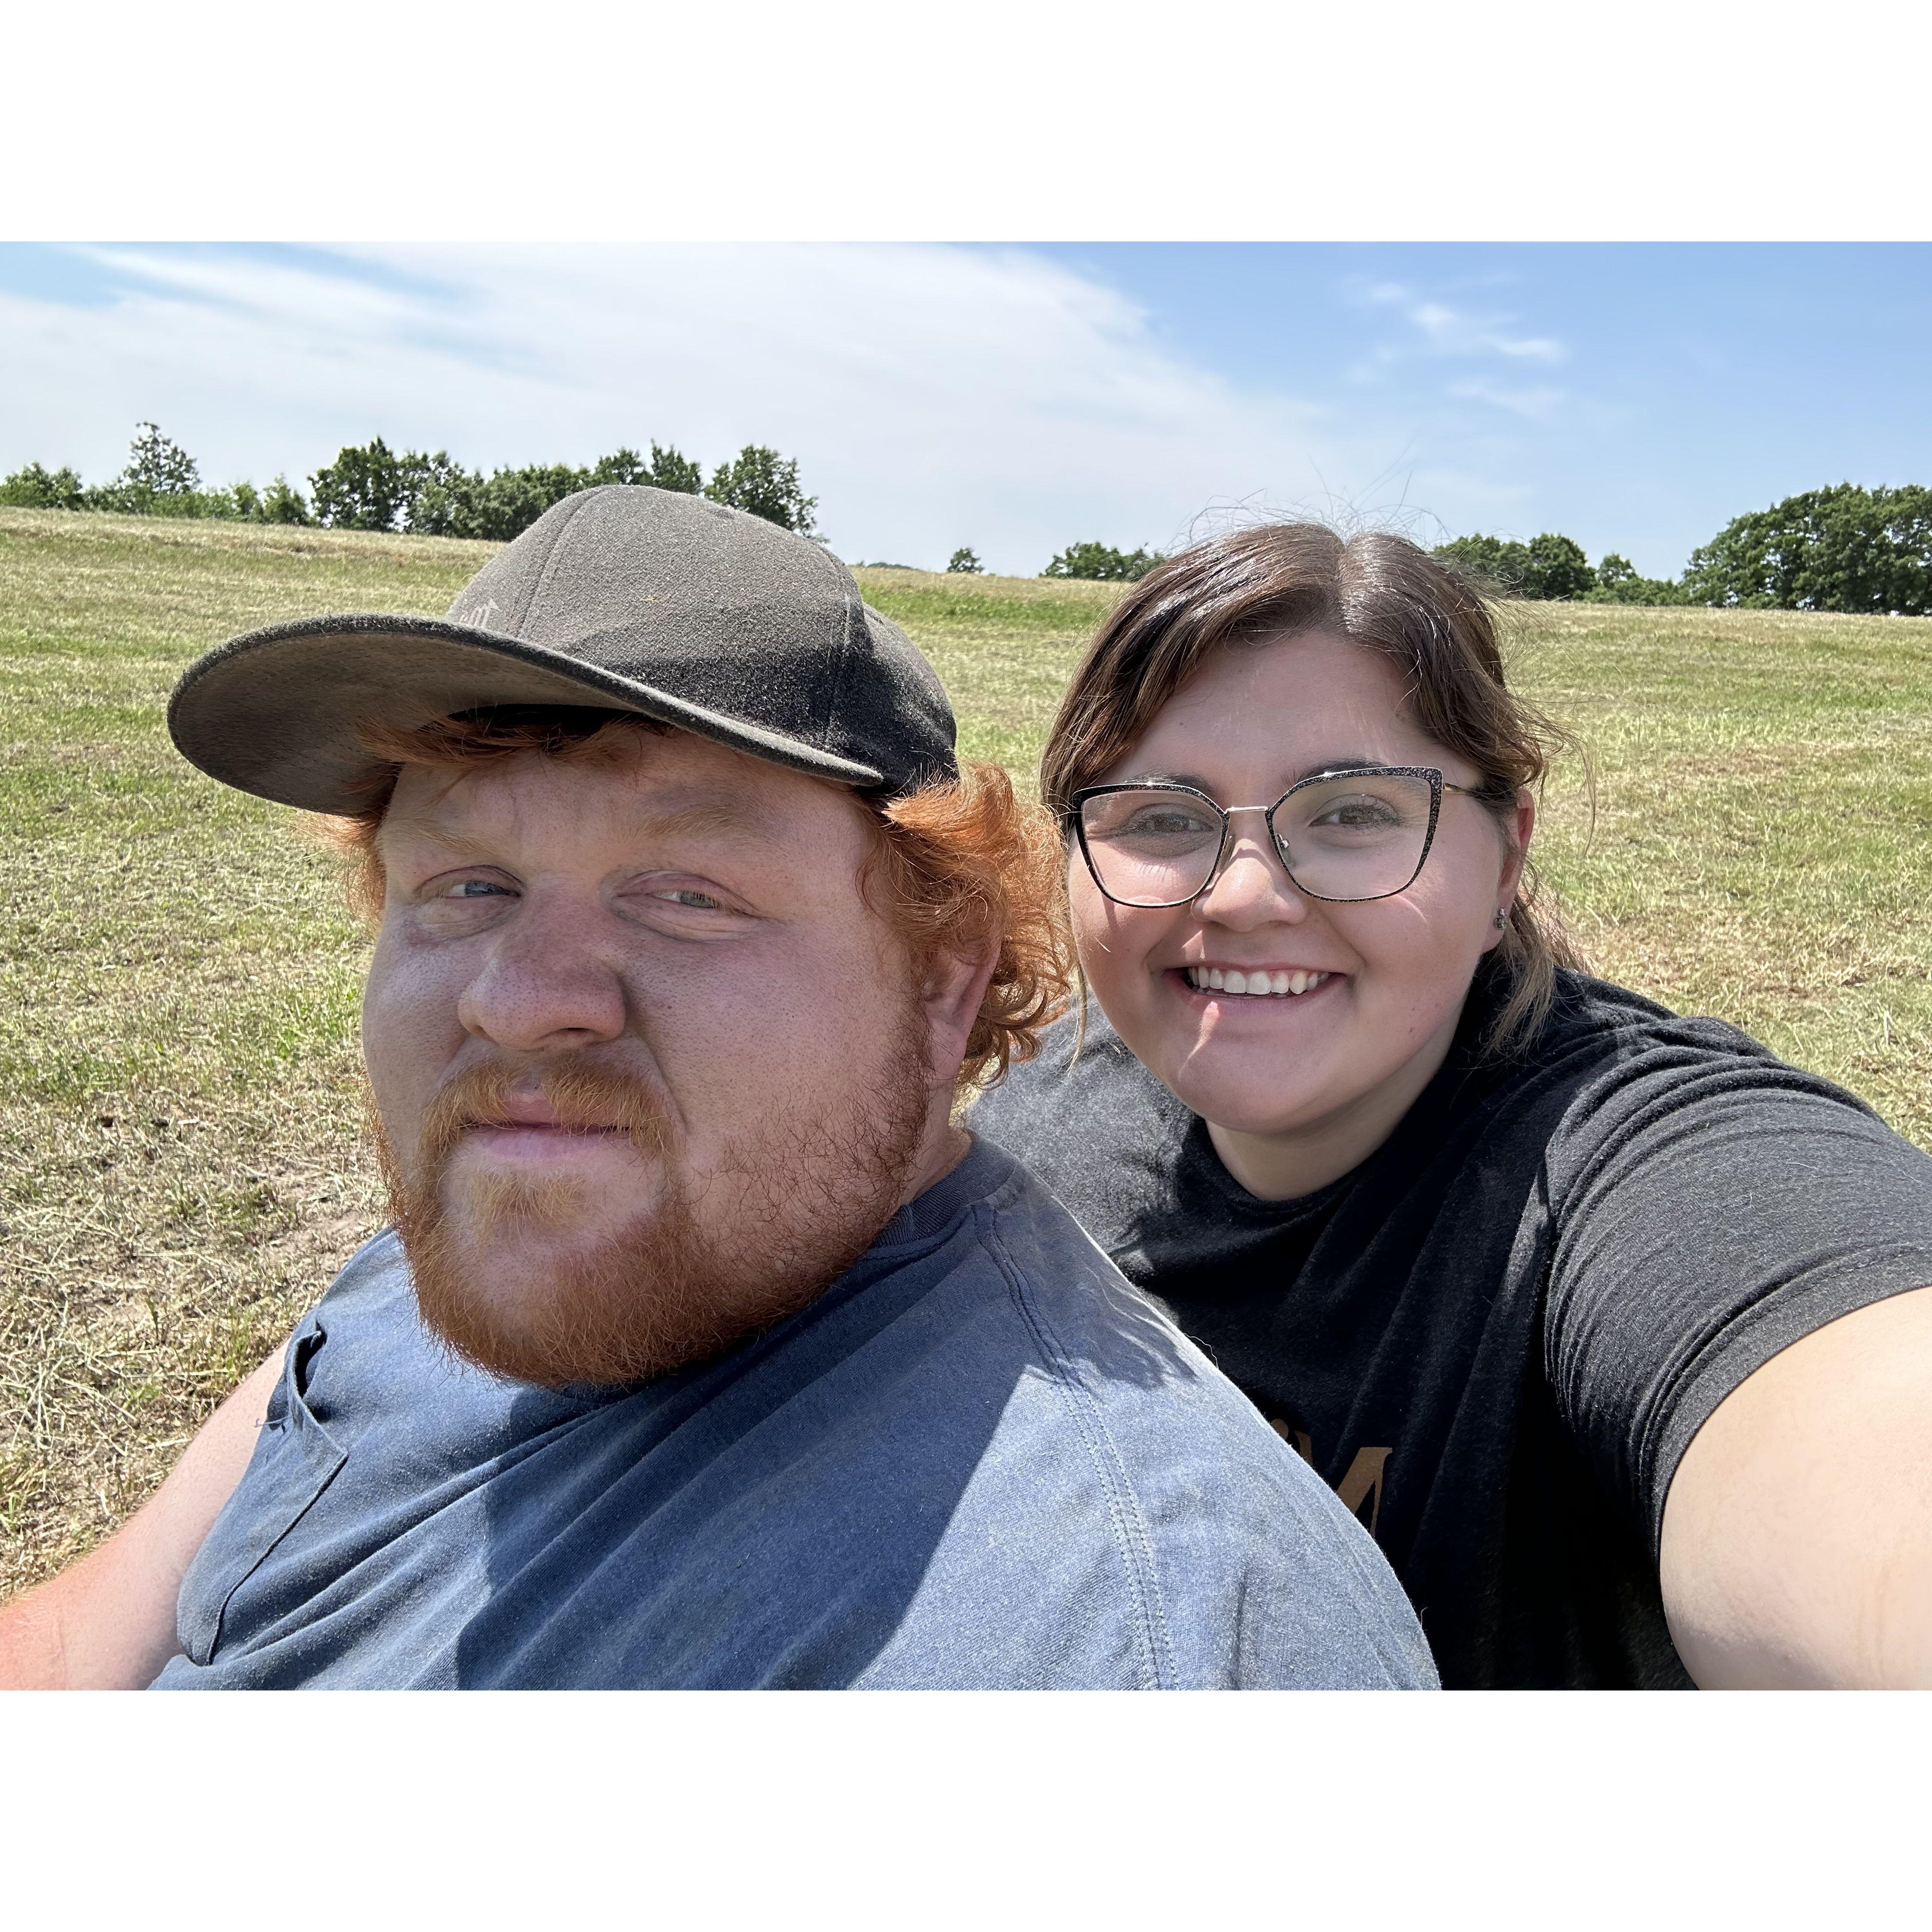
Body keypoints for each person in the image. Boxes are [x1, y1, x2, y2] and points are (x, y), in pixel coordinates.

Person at [0, 487, 1434, 1691]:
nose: (518, 999)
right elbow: (78, 1649)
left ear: (941, 981)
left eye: (686, 893)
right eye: (465, 883)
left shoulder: (1121, 1638)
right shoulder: (470, 1245)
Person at [974, 520, 1932, 1690]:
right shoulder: (1033, 1140)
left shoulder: (1635, 1163)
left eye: (1355, 811)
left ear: (1505, 856)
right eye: (1161, 817)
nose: (1244, 896)